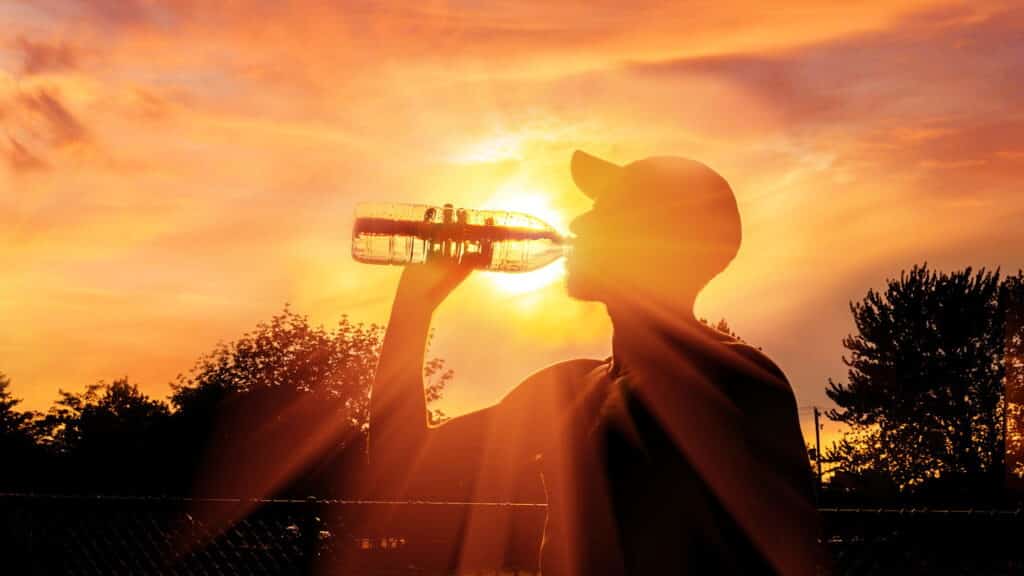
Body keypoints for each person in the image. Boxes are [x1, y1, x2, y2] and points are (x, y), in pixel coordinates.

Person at [364, 150, 821, 575]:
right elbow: (401, 469)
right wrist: (414, 305)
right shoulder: (571, 387)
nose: (580, 222)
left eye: (610, 213)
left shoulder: (735, 381)